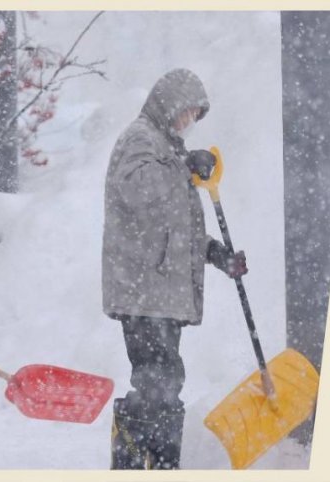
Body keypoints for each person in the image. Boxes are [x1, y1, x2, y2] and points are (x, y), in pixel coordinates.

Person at [102, 69, 248, 470]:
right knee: (156, 384)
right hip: (143, 291)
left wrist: (217, 255)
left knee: (163, 384)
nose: (188, 122)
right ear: (168, 104)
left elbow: (172, 229)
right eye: (185, 113)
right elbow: (135, 187)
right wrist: (183, 164)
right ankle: (141, 464)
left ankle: (155, 462)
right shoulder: (141, 138)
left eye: (194, 117)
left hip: (159, 293)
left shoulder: (164, 147)